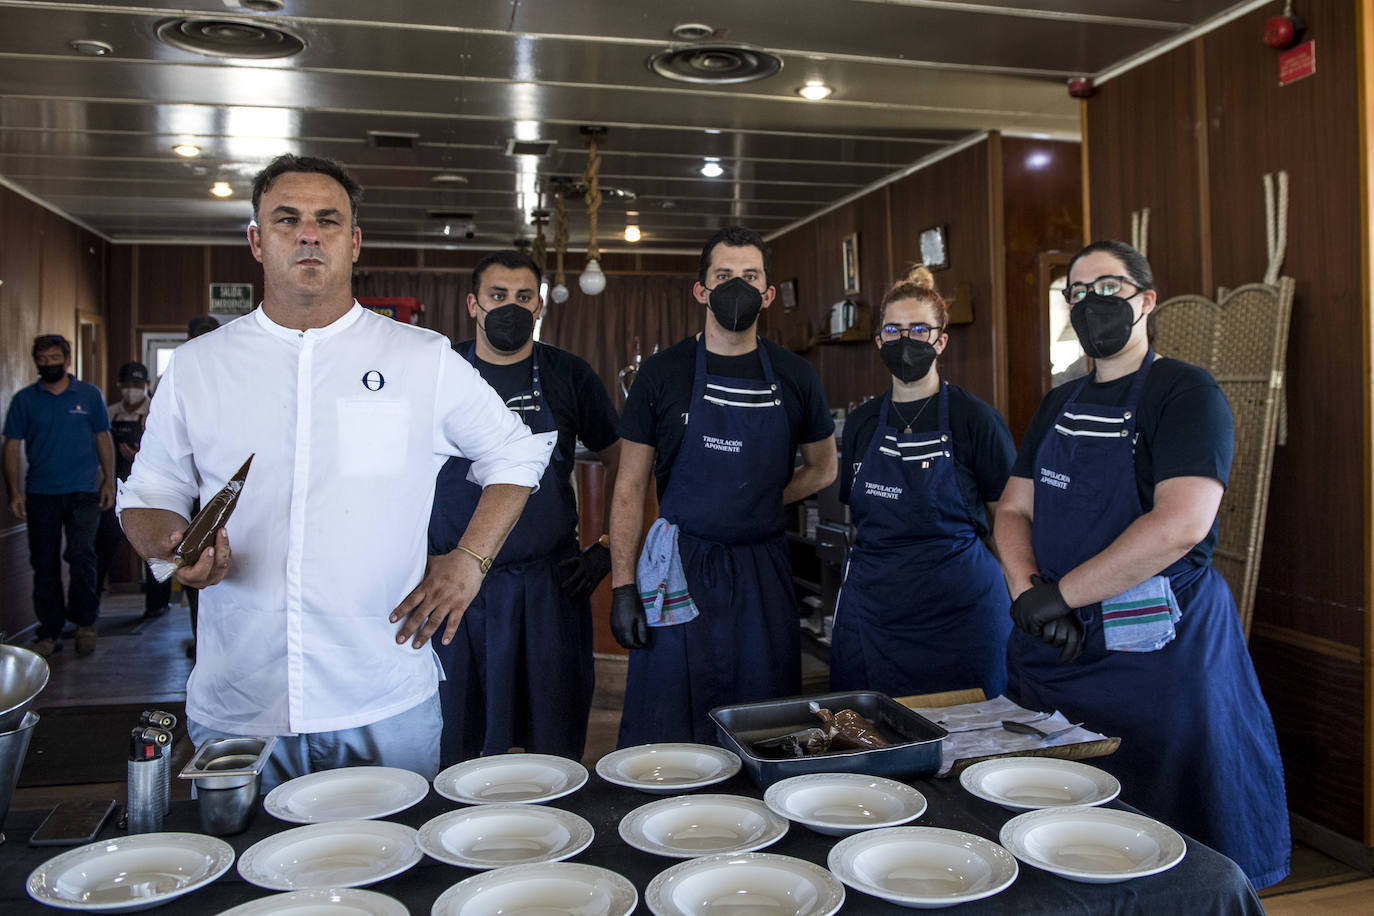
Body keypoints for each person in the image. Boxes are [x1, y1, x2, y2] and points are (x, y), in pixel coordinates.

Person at [117, 154, 552, 791]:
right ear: (257, 240)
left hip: (382, 690)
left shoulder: (420, 358)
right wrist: (173, 548)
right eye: (287, 219)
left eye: (328, 220)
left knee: (396, 876)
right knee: (248, 883)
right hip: (241, 700)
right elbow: (150, 494)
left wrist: (470, 559)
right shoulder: (198, 367)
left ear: (353, 241)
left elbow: (517, 453)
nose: (308, 234)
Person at [994, 240, 1290, 888]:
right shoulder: (1057, 404)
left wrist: (1062, 596)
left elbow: (1180, 525)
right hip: (1060, 651)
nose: (1092, 302)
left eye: (1109, 288)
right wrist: (1028, 594)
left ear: (1146, 300)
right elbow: (1015, 509)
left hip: (1162, 654)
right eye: (1078, 292)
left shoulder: (1186, 393)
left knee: (1176, 854)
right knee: (1060, 838)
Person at [609, 225, 837, 745]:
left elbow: (824, 469)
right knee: (670, 721)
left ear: (768, 293)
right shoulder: (661, 375)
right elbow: (627, 487)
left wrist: (760, 500)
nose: (738, 285)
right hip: (678, 568)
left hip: (763, 570)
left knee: (767, 723)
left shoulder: (795, 375)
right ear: (701, 290)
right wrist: (624, 588)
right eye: (724, 275)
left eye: (750, 276)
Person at [428, 250, 621, 765]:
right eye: (497, 296)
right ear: (473, 304)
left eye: (522, 298)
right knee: (456, 739)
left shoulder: (570, 375)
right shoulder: (438, 372)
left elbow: (626, 466)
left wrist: (607, 548)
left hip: (548, 586)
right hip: (453, 585)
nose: (510, 307)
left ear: (539, 306)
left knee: (551, 740)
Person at [830, 267, 1014, 699]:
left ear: (941, 340)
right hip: (874, 609)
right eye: (893, 329)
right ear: (879, 341)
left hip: (961, 610)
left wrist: (1023, 595)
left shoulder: (977, 420)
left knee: (970, 739)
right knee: (867, 736)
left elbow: (1008, 516)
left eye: (919, 329)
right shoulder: (861, 423)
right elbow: (859, 519)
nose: (905, 340)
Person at [2, 334, 115, 658]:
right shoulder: (25, 400)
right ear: (36, 361)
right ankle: (49, 630)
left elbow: (102, 437)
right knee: (44, 562)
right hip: (40, 492)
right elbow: (11, 446)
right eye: (43, 359)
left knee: (82, 557)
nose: (49, 364)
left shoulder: (89, 395)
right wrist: (14, 492)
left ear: (67, 360)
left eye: (55, 358)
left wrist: (108, 482)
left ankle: (85, 623)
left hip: (83, 491)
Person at [94, 361, 172, 619]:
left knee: (155, 545)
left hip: (151, 486)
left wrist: (143, 455)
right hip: (116, 484)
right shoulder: (110, 412)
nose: (132, 390)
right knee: (105, 543)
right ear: (119, 386)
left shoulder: (156, 410)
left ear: (147, 385)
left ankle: (157, 603)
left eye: (137, 385)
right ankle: (91, 606)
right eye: (127, 385)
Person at [181, 314, 219, 658]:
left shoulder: (233, 376)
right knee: (196, 571)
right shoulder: (181, 374)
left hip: (223, 502)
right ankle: (199, 637)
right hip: (191, 497)